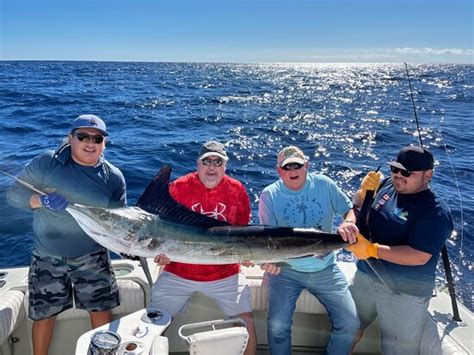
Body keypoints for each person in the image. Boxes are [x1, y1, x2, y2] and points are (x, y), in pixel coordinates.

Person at [7, 114, 126, 355]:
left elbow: (119, 223)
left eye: (97, 138)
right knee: (44, 316)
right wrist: (40, 200)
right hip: (47, 256)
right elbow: (13, 196)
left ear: (105, 143)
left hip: (93, 256)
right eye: (83, 136)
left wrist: (133, 247)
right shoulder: (46, 163)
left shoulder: (113, 177)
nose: (90, 143)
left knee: (101, 310)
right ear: (70, 138)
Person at [151, 140, 257, 355]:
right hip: (178, 272)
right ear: (197, 164)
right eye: (206, 161)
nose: (211, 167)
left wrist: (248, 254)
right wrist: (159, 253)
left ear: (225, 166)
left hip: (225, 273)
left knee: (246, 325)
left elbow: (243, 235)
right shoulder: (179, 187)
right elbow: (158, 229)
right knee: (151, 324)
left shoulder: (236, 190)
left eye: (217, 162)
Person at [348, 145, 453, 354]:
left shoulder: (435, 212)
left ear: (428, 175)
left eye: (406, 172)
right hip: (366, 277)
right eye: (394, 169)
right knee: (347, 330)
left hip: (404, 293)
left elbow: (419, 255)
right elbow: (359, 209)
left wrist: (372, 250)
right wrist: (362, 194)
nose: (397, 176)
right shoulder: (386, 186)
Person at [258, 145, 360, 355]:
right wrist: (269, 263)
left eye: (297, 165)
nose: (292, 170)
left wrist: (349, 222)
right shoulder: (269, 195)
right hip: (286, 270)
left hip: (326, 268)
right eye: (287, 167)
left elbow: (349, 210)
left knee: (350, 324)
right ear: (279, 171)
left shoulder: (325, 184)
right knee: (277, 327)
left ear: (307, 166)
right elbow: (269, 241)